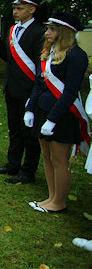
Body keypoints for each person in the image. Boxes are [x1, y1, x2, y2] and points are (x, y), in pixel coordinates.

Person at [25, 12, 89, 214]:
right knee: (47, 157)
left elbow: (70, 92)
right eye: (47, 28)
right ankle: (51, 197)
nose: (47, 32)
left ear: (64, 32)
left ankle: (59, 202)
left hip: (62, 115)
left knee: (60, 160)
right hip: (43, 111)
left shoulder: (76, 56)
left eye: (52, 29)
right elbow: (39, 82)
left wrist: (52, 119)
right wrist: (30, 107)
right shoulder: (48, 52)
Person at [0, 0, 45, 184]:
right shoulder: (13, 30)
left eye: (20, 8)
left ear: (32, 9)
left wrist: (35, 93)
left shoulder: (39, 33)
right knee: (14, 129)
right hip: (11, 87)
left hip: (28, 90)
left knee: (28, 132)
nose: (15, 12)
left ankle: (28, 171)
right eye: (14, 8)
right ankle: (12, 164)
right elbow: (8, 57)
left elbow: (39, 66)